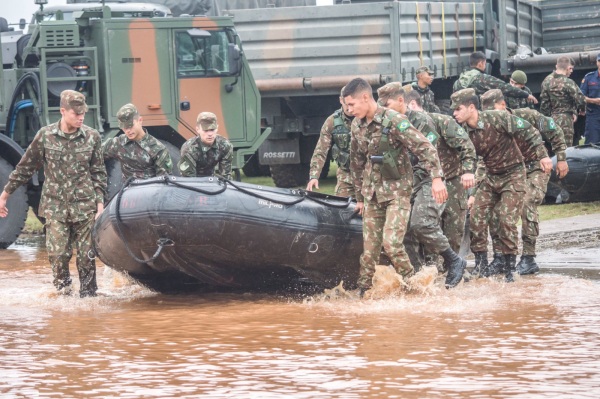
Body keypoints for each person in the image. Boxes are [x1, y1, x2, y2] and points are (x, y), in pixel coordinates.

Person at [0, 90, 107, 298]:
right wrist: (5, 194)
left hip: (85, 206)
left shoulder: (92, 137)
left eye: (82, 113)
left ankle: (89, 299)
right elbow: (24, 168)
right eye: (76, 113)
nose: (80, 117)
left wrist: (100, 205)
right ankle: (64, 297)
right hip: (55, 206)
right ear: (63, 111)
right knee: (58, 256)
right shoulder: (45, 136)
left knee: (86, 257)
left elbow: (99, 173)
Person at [345, 78, 447, 295]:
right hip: (372, 193)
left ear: (365, 97)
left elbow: (424, 147)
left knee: (391, 244)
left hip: (398, 192)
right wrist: (360, 198)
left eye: (352, 104)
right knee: (369, 250)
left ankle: (414, 286)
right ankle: (363, 292)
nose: (349, 110)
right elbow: (356, 162)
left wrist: (436, 178)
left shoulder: (393, 120)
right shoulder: (357, 125)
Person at [451, 88, 552, 282]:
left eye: (458, 109)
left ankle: (510, 268)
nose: (455, 113)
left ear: (471, 108)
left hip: (513, 174)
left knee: (506, 220)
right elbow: (469, 158)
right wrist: (471, 188)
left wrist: (543, 155)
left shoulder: (496, 118)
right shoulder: (463, 131)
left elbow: (528, 129)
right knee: (477, 218)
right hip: (491, 176)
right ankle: (480, 264)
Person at [377, 82, 470, 288]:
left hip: (428, 179)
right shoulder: (386, 122)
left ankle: (453, 260)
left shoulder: (421, 120)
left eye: (387, 103)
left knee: (422, 223)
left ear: (401, 101)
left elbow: (429, 156)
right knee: (405, 232)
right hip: (404, 184)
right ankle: (420, 278)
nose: (383, 107)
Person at [477, 89, 568, 275]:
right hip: (510, 172)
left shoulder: (527, 115)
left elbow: (553, 129)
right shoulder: (489, 126)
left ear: (502, 105)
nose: (490, 117)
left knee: (527, 203)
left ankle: (528, 257)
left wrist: (562, 158)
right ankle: (501, 256)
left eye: (493, 112)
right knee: (496, 210)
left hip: (536, 166)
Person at [405, 90, 477, 263]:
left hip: (451, 180)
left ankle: (452, 267)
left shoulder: (442, 122)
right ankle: (431, 268)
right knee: (424, 226)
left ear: (412, 105)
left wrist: (467, 171)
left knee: (453, 228)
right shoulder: (403, 126)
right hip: (425, 183)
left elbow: (466, 147)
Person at [102, 103, 173, 182]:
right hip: (128, 191)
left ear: (140, 120)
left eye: (130, 126)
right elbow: (94, 154)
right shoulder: (119, 143)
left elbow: (164, 182)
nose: (128, 131)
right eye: (124, 127)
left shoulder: (158, 149)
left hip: (150, 192)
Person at [306, 88, 355, 197]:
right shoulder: (332, 122)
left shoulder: (365, 117)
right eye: (346, 103)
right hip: (346, 175)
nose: (349, 107)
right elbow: (321, 150)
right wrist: (314, 176)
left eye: (352, 103)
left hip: (367, 174)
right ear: (340, 100)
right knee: (341, 207)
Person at [453, 51, 537, 106]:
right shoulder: (483, 79)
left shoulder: (459, 81)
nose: (485, 66)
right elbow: (505, 87)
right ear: (480, 63)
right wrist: (526, 95)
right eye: (485, 64)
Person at [540, 56, 587, 147]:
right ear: (569, 68)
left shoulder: (546, 81)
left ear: (556, 66)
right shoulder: (568, 82)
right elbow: (581, 100)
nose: (571, 71)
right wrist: (581, 110)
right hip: (566, 120)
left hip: (552, 120)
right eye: (571, 69)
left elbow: (544, 105)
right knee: (566, 149)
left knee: (555, 147)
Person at [178, 112, 233, 179]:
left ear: (217, 128)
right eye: (205, 130)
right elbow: (188, 180)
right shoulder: (189, 148)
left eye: (212, 130)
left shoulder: (225, 145)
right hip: (193, 182)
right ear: (197, 129)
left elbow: (226, 177)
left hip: (212, 181)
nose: (210, 134)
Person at [580, 53, 600, 144]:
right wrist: (594, 101)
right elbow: (580, 96)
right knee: (591, 144)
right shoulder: (589, 77)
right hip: (593, 115)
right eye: (599, 61)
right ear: (597, 62)